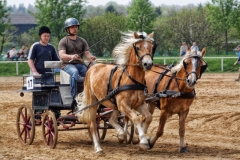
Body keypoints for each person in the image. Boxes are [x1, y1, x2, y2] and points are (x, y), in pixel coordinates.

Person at [58, 18, 96, 98]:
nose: (75, 29)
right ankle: (74, 96)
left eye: (76, 27)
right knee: (74, 72)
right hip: (67, 65)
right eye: (72, 27)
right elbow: (62, 56)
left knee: (90, 72)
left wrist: (91, 57)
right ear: (67, 29)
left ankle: (89, 94)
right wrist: (71, 56)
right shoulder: (63, 41)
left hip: (80, 64)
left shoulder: (82, 41)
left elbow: (87, 54)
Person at [28, 26, 61, 118]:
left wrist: (64, 66)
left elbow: (57, 61)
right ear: (40, 36)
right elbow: (30, 60)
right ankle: (38, 113)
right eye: (45, 36)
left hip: (49, 75)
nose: (46, 38)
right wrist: (34, 71)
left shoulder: (51, 48)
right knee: (39, 94)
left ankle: (56, 111)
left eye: (48, 36)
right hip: (37, 76)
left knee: (54, 92)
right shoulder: (35, 46)